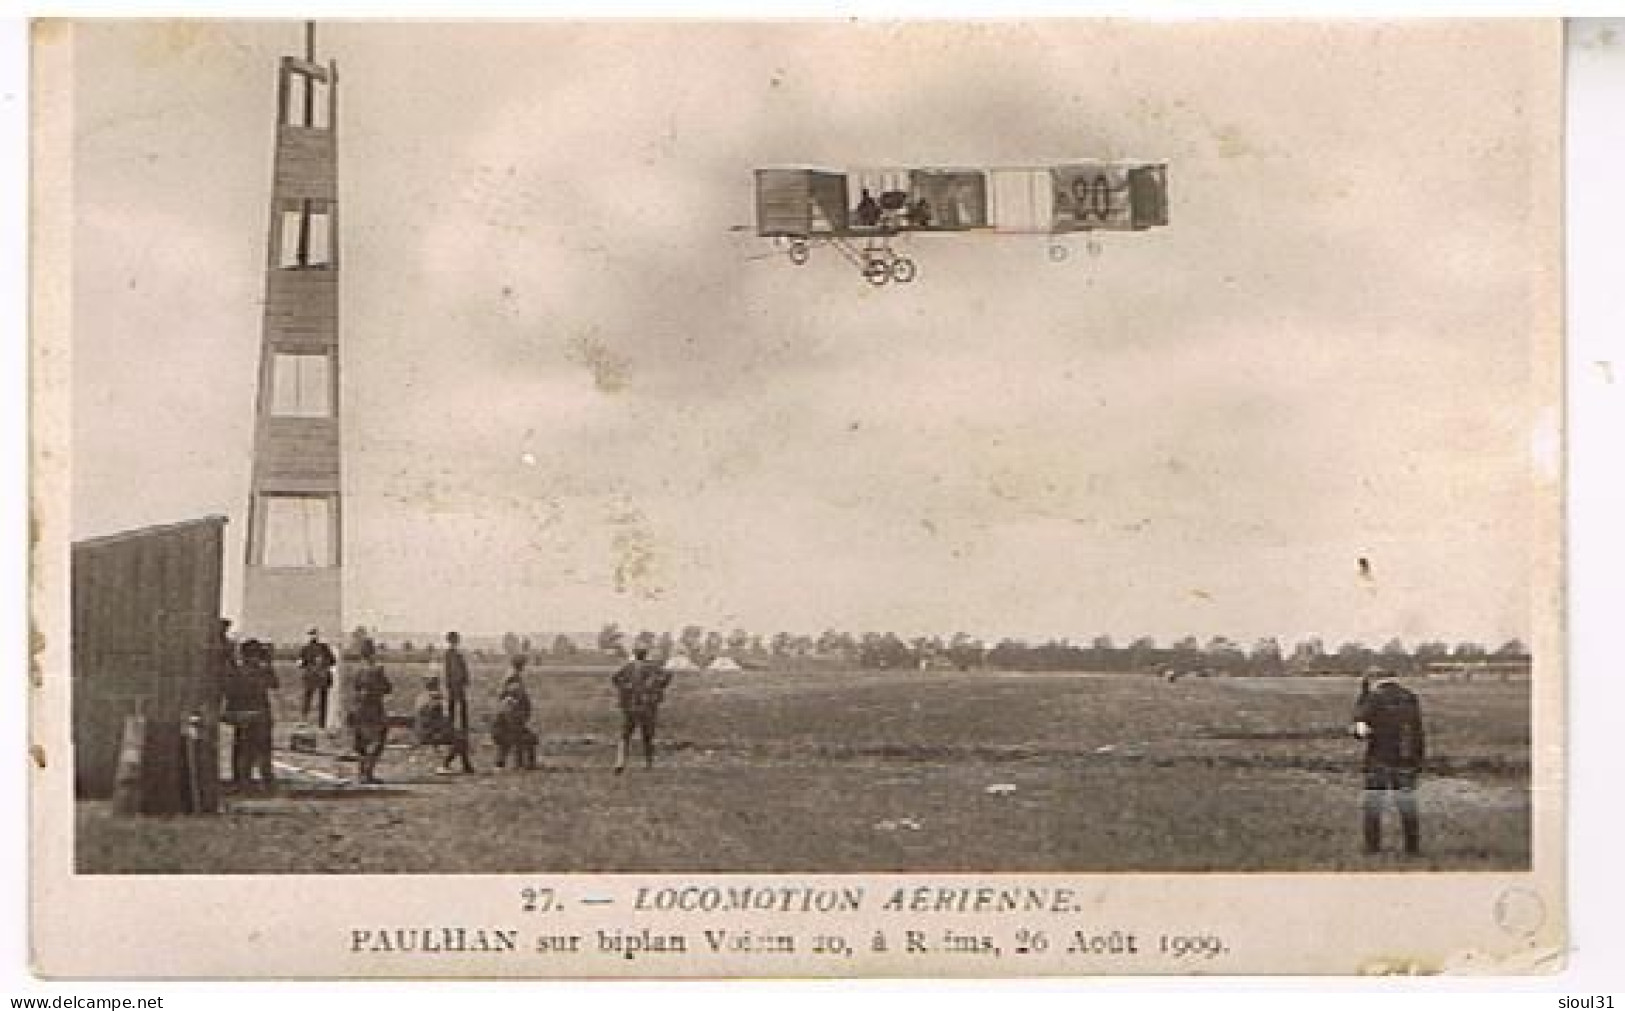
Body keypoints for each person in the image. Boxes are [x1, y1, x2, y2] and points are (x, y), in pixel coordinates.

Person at [1351, 670, 1427, 856]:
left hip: (1379, 759)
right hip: (1406, 760)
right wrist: (1418, 760)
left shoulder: (1374, 698)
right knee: (1407, 806)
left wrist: (1362, 699)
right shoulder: (1410, 697)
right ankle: (1412, 849)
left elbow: (1360, 730)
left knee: (1373, 805)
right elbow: (1419, 732)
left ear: (1376, 680)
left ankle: (1372, 849)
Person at [224, 638, 278, 790]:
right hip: (258, 713)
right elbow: (273, 684)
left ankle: (243, 780)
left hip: (244, 713)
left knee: (244, 749)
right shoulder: (259, 671)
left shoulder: (237, 671)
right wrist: (268, 664)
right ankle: (265, 782)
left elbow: (230, 691)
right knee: (262, 749)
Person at [612, 647, 672, 774]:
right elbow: (667, 676)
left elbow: (615, 679)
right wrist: (657, 689)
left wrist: (625, 689)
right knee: (647, 737)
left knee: (625, 736)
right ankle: (647, 763)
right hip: (646, 707)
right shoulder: (653, 667)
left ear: (635, 654)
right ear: (645, 655)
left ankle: (620, 763)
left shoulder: (628, 667)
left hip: (631, 707)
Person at [349, 654, 392, 785]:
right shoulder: (378, 671)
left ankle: (361, 773)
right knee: (378, 741)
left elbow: (355, 687)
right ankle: (368, 773)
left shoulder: (358, 671)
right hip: (373, 710)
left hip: (358, 708)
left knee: (361, 742)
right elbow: (388, 688)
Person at [493, 655, 537, 770]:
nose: (524, 667)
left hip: (512, 715)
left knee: (522, 737)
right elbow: (509, 695)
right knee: (519, 738)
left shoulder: (513, 676)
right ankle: (519, 764)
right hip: (510, 716)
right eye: (522, 664)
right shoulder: (512, 677)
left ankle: (514, 763)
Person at [298, 628, 337, 727]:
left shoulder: (319, 648)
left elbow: (332, 661)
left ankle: (313, 721)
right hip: (317, 676)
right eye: (311, 634)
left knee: (312, 698)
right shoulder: (310, 648)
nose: (313, 636)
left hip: (316, 676)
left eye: (313, 634)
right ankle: (313, 721)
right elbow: (332, 661)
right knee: (311, 698)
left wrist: (322, 666)